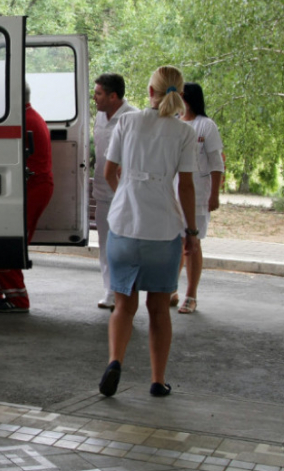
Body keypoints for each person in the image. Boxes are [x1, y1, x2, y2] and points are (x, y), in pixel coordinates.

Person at [98, 66, 199, 398]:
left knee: (123, 306)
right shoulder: (184, 133)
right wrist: (191, 230)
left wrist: (124, 196)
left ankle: (115, 361)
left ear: (150, 91)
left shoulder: (126, 122)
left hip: (124, 226)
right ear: (180, 94)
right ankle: (157, 380)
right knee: (158, 309)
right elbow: (185, 186)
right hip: (163, 231)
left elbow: (109, 172)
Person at [0, 82, 54, 313]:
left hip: (31, 188)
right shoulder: (30, 117)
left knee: (7, 241)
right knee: (4, 237)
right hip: (34, 187)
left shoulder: (22, 121)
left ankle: (18, 300)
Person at [171, 83, 224, 314]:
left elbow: (216, 163)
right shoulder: (172, 123)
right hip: (172, 194)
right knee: (175, 244)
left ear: (187, 98)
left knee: (191, 244)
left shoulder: (206, 125)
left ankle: (191, 296)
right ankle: (171, 290)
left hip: (198, 194)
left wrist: (214, 194)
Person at [91, 73, 139, 310]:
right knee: (106, 244)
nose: (95, 98)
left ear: (113, 96)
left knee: (124, 246)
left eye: (99, 94)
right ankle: (110, 290)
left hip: (125, 194)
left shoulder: (133, 117)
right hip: (103, 192)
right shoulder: (100, 117)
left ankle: (125, 291)